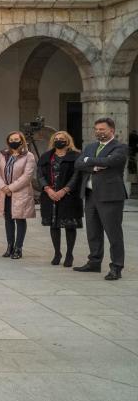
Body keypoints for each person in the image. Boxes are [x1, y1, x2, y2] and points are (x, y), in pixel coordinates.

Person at [73, 117, 129, 280]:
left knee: (114, 233)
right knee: (93, 232)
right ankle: (94, 262)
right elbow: (78, 164)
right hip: (90, 195)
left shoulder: (120, 147)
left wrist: (88, 161)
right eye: (96, 129)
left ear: (111, 130)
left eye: (102, 129)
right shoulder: (90, 146)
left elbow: (112, 161)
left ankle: (116, 267)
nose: (98, 132)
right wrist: (96, 165)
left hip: (110, 196)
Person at [37, 131, 83, 267]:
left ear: (68, 141)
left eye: (61, 139)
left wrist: (64, 190)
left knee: (70, 225)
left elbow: (76, 176)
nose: (58, 140)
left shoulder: (76, 156)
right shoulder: (46, 156)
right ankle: (57, 253)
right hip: (50, 195)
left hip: (69, 196)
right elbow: (39, 175)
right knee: (54, 225)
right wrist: (47, 189)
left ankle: (69, 254)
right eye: (56, 138)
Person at [0, 131, 36, 260]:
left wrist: (11, 188)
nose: (14, 141)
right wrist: (3, 187)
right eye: (11, 139)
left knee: (20, 219)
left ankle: (18, 248)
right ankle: (9, 246)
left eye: (16, 139)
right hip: (4, 192)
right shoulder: (3, 154)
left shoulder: (28, 156)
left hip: (20, 192)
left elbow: (27, 176)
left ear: (21, 140)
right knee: (8, 219)